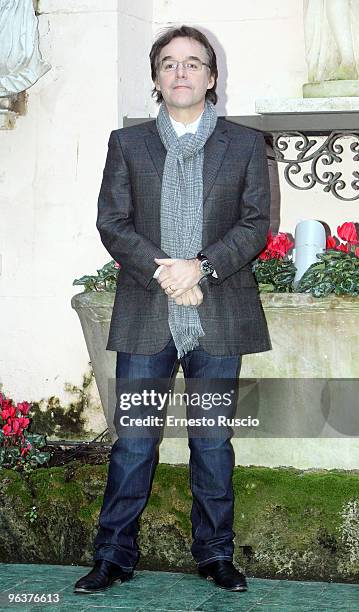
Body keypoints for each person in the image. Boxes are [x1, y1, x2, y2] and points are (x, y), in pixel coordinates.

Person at [74, 25, 271, 595]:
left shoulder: (242, 144)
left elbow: (256, 223)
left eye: (192, 63)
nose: (180, 72)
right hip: (146, 312)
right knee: (134, 440)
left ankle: (215, 554)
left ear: (212, 77)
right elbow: (113, 222)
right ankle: (113, 555)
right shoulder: (127, 144)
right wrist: (168, 272)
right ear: (156, 79)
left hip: (219, 312)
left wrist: (201, 268)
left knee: (211, 441)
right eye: (168, 63)